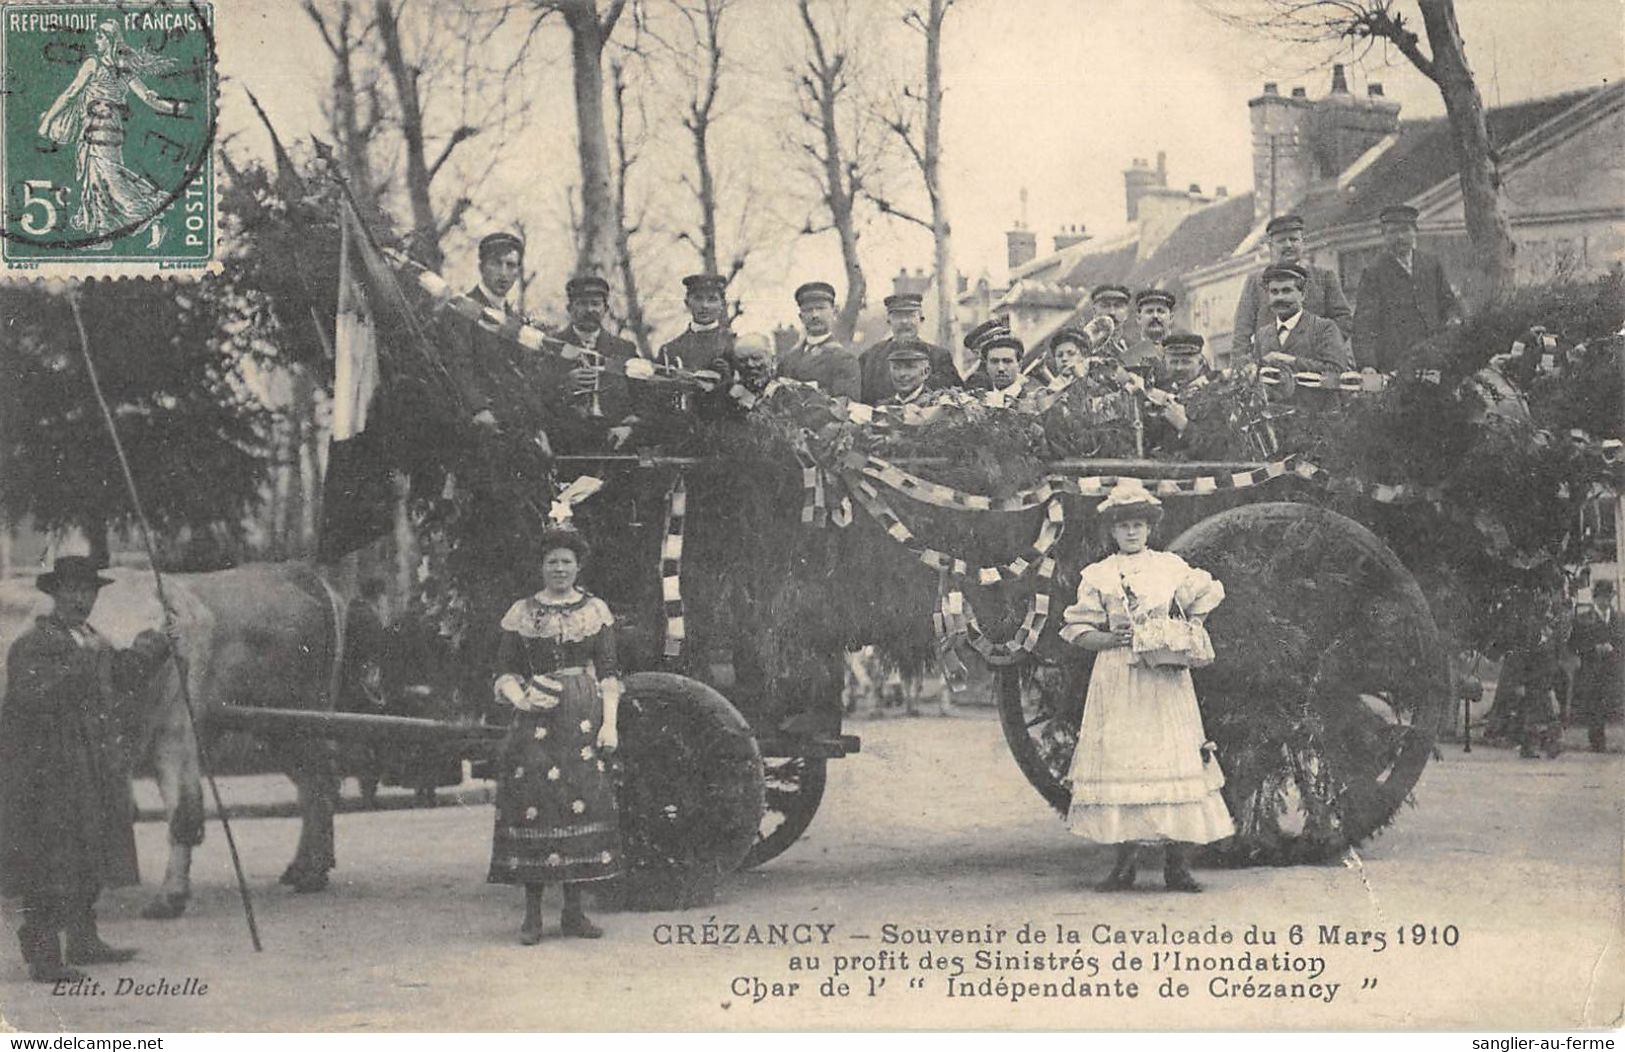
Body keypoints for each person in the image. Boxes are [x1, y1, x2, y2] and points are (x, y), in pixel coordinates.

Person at [1059, 480, 1232, 892]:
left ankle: (1177, 865)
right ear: (1113, 531)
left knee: (1171, 756)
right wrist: (1108, 638)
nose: (1132, 532)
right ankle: (1125, 864)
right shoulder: (1099, 574)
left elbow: (1205, 598)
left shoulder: (1170, 567)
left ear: (1149, 528)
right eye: (1123, 526)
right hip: (1118, 677)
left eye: (1138, 524)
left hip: (1163, 676)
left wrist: (1180, 630)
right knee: (1125, 758)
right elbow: (1076, 627)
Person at [1, 558, 167, 982]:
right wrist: (82, 664)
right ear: (55, 595)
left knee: (89, 852)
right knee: (51, 861)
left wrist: (158, 645)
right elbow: (29, 697)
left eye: (89, 592)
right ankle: (43, 954)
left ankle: (83, 939)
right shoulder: (33, 644)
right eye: (73, 591)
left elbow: (122, 674)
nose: (82, 600)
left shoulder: (90, 638)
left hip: (91, 765)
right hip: (50, 772)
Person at [487, 525, 622, 943]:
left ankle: (574, 913)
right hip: (536, 721)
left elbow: (610, 672)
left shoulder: (595, 611)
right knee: (536, 804)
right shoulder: (523, 612)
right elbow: (505, 670)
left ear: (577, 567)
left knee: (579, 802)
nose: (559, 569)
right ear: (541, 567)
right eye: (552, 562)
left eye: (566, 562)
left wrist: (610, 723)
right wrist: (521, 699)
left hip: (581, 715)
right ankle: (532, 916)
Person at [37, 19, 189, 242]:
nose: (96, 41)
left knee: (109, 178)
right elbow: (149, 99)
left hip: (97, 130)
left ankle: (151, 216)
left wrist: (47, 121)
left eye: (100, 37)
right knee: (100, 178)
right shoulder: (124, 70)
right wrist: (174, 108)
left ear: (109, 40)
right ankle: (105, 234)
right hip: (110, 130)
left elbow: (70, 93)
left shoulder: (93, 64)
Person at [1352, 204, 1462, 373]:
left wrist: (1454, 320)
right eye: (1393, 232)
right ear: (1384, 235)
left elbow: (1448, 303)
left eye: (1405, 230)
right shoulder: (1374, 272)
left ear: (1415, 231)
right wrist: (1368, 364)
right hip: (1396, 363)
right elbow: (1364, 324)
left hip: (1435, 358)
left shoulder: (1431, 264)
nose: (1400, 237)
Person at [1229, 214, 1353, 361]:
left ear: (1303, 242)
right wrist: (1244, 366)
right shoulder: (1255, 282)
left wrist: (1324, 345)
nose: (1288, 245)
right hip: (1269, 366)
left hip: (1315, 366)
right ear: (1270, 246)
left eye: (1293, 239)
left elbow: (1343, 319)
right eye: (1281, 241)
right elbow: (1242, 332)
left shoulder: (1323, 277)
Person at [550, 275, 639, 450]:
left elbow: (642, 399)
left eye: (595, 304)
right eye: (582, 303)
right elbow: (537, 397)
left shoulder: (624, 350)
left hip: (615, 443)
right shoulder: (551, 348)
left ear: (605, 309)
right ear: (570, 308)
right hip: (567, 442)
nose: (589, 309)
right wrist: (563, 384)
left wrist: (629, 428)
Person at [1252, 262, 1353, 373]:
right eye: (1274, 292)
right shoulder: (1263, 335)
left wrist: (1292, 361)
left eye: (1287, 291)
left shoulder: (1324, 328)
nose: (1280, 298)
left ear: (1303, 294)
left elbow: (1336, 370)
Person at [858, 293, 957, 403]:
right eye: (898, 316)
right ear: (889, 321)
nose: (904, 322)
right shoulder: (871, 357)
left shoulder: (939, 357)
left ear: (921, 319)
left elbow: (954, 397)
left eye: (910, 315)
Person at [778, 282, 862, 400]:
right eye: (808, 310)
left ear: (834, 311)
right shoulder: (788, 360)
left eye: (821, 308)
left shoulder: (844, 359)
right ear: (801, 317)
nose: (815, 315)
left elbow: (845, 407)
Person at [1569, 580, 1622, 752]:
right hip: (1592, 669)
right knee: (1595, 704)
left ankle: (1607, 739)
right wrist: (1593, 648)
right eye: (1601, 598)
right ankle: (1597, 742)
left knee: (1611, 703)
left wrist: (1614, 648)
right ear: (1595, 598)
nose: (1605, 602)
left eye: (1608, 598)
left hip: (1613, 669)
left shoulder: (1618, 619)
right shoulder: (1583, 619)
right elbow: (1574, 644)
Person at [1123, 289, 1174, 382]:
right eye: (1149, 311)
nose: (1155, 316)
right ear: (1138, 318)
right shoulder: (1128, 357)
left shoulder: (1182, 355)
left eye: (1161, 311)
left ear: (1171, 318)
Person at [883, 340, 939, 406]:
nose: (902, 374)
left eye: (910, 367)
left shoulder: (937, 406)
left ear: (926, 372)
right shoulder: (883, 407)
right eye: (896, 368)